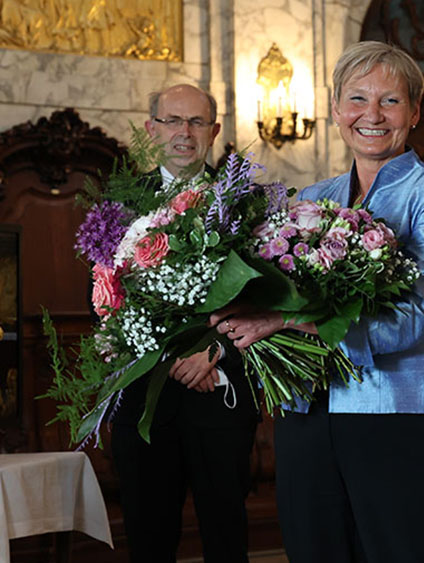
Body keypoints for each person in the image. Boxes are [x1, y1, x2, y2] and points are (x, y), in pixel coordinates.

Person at [209, 41, 424, 563]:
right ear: (335, 111)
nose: (371, 115)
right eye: (356, 99)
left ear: (416, 112)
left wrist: (285, 319)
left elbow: (419, 314)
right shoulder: (309, 200)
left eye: (391, 102)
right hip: (307, 416)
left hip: (401, 413)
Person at [110, 83, 259, 563]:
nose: (184, 133)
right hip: (144, 404)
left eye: (196, 122)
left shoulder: (245, 202)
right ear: (152, 128)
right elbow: (104, 299)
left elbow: (265, 298)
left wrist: (217, 351)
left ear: (214, 131)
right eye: (172, 121)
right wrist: (170, 357)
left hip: (221, 396)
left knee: (226, 538)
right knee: (149, 541)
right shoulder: (120, 201)